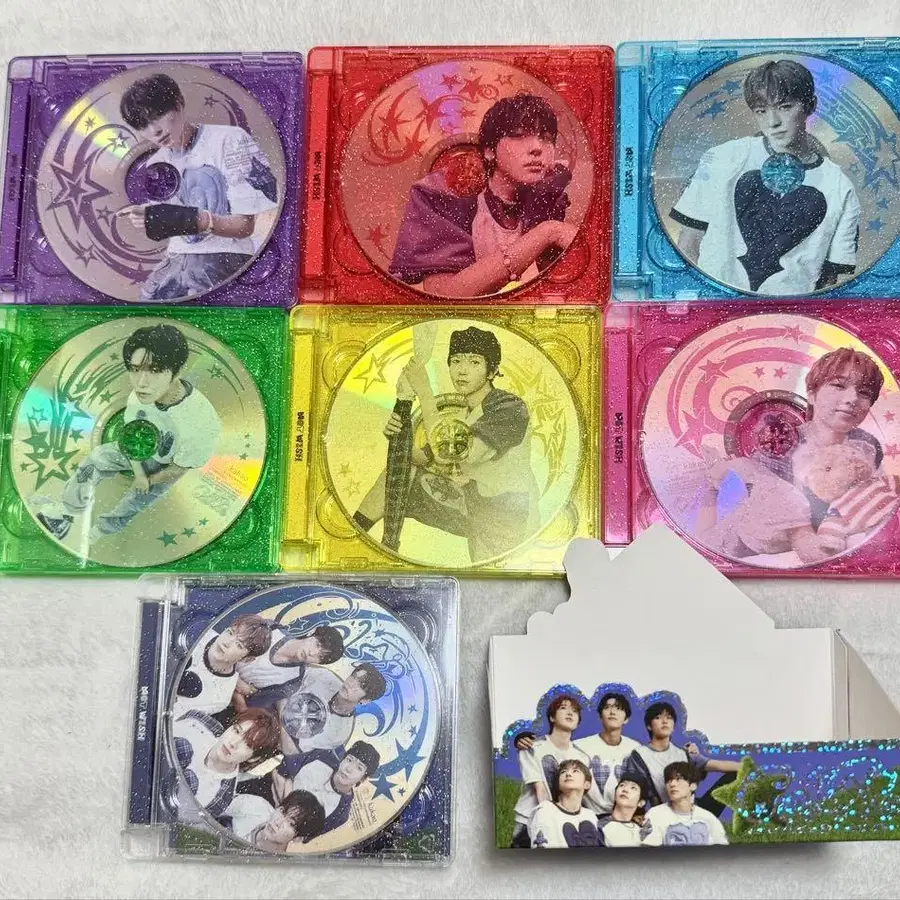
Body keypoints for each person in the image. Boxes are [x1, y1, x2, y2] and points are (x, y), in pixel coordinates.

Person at [671, 59, 859, 295]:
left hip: (792, 313)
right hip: (717, 304)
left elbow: (831, 279)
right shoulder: (723, 158)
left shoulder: (839, 185)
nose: (773, 122)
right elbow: (688, 243)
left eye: (785, 107)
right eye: (761, 111)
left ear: (810, 105)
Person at [353, 326, 538, 560]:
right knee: (402, 471)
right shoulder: (462, 414)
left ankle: (368, 541)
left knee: (489, 572)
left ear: (491, 371)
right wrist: (399, 435)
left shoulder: (509, 407)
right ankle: (355, 537)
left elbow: (455, 453)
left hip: (507, 518)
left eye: (474, 362)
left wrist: (424, 391)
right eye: (456, 361)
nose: (462, 370)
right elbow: (421, 458)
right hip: (471, 504)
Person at [34, 324, 221, 543]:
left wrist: (148, 480)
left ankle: (99, 532)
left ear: (177, 371)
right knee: (98, 457)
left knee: (135, 500)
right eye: (135, 369)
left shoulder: (200, 422)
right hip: (140, 449)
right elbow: (131, 440)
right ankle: (67, 510)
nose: (141, 382)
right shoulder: (137, 397)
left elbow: (178, 469)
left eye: (155, 370)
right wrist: (139, 473)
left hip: (168, 467)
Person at [698, 347, 886, 564]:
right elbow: (808, 547)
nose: (852, 398)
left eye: (864, 392)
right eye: (838, 385)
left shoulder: (867, 446)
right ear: (812, 394)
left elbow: (875, 500)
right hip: (742, 545)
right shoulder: (781, 446)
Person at [389, 93, 579, 297]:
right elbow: (446, 294)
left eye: (546, 138)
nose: (537, 148)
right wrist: (548, 232)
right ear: (489, 151)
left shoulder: (549, 197)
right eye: (519, 135)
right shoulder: (447, 194)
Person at [116, 73, 279, 301]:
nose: (154, 131)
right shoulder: (156, 165)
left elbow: (244, 226)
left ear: (179, 103)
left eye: (158, 115)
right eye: (142, 124)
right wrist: (149, 217)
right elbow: (173, 229)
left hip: (223, 258)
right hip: (174, 263)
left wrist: (185, 218)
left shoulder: (228, 140)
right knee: (142, 314)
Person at [509, 694, 591, 848]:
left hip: (567, 820)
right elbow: (539, 789)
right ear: (552, 717)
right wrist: (553, 818)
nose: (570, 713)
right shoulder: (531, 747)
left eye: (575, 711)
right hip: (529, 819)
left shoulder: (582, 757)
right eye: (563, 708)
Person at [624, 702, 740, 810]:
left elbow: (718, 765)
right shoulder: (639, 756)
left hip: (695, 809)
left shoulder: (684, 753)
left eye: (669, 718)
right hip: (665, 813)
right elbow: (635, 790)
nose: (664, 721)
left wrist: (747, 767)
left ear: (674, 726)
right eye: (658, 717)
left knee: (736, 775)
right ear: (649, 726)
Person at [171, 707, 280, 818]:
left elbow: (178, 818)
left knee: (189, 782)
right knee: (182, 748)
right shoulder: (199, 721)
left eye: (247, 744)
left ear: (253, 758)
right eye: (237, 731)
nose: (233, 743)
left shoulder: (220, 798)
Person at [262, 663, 387, 756]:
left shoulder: (339, 732)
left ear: (365, 700)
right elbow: (284, 677)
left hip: (268, 742)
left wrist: (282, 708)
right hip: (263, 704)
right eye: (354, 677)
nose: (351, 683)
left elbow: (290, 750)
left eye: (360, 685)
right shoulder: (324, 677)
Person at [174, 615, 274, 717]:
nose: (226, 642)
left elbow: (174, 715)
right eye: (230, 632)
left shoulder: (220, 696)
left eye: (238, 645)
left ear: (246, 659)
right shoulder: (194, 633)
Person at [273, 741, 381, 835]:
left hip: (275, 831)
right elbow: (278, 772)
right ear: (343, 759)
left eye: (359, 768)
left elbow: (300, 835)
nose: (349, 769)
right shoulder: (322, 756)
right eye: (349, 760)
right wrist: (287, 811)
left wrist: (287, 788)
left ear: (363, 778)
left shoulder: (341, 813)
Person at [232, 624, 345, 712]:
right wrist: (236, 681)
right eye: (317, 644)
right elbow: (227, 640)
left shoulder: (293, 681)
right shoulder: (272, 629)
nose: (311, 653)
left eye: (319, 657)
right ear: (312, 632)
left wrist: (236, 688)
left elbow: (246, 707)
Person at [641, 762, 729, 846]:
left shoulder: (708, 818)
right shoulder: (655, 814)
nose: (672, 784)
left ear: (693, 786)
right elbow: (648, 852)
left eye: (678, 779)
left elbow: (722, 851)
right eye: (668, 781)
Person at [528, 760, 600, 849]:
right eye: (563, 772)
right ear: (559, 785)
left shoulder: (590, 815)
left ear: (587, 784)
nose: (568, 774)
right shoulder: (546, 810)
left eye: (575, 771)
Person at [223, 790, 325, 852]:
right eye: (282, 811)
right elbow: (215, 807)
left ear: (298, 838)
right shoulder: (255, 806)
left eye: (290, 823)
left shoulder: (274, 868)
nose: (278, 822)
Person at [596, 776, 648, 848]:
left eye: (633, 787)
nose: (625, 790)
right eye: (622, 785)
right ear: (615, 796)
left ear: (641, 803)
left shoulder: (641, 830)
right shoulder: (599, 825)